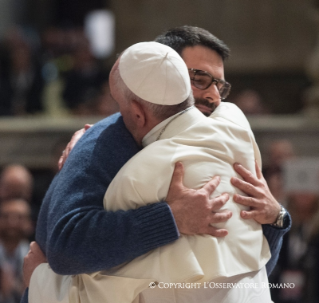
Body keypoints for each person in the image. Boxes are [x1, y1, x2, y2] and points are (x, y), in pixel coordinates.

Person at [22, 26, 291, 303]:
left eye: (219, 85)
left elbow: (249, 271)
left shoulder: (229, 129)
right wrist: (171, 218)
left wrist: (276, 218)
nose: (213, 95)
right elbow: (72, 251)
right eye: (198, 78)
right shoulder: (111, 151)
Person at [0, 199, 33, 303]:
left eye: (20, 217)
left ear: (29, 224)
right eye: (6, 216)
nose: (12, 222)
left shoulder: (38, 260)